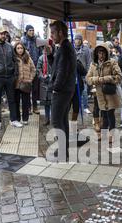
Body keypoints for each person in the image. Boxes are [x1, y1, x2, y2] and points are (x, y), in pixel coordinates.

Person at [49, 20, 77, 160]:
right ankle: (63, 151)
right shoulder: (64, 46)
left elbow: (62, 72)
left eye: (53, 33)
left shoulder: (65, 48)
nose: (51, 36)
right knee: (62, 120)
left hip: (62, 91)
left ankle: (62, 152)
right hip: (66, 90)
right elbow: (58, 67)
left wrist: (55, 88)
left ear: (60, 32)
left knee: (56, 121)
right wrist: (49, 55)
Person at [86, 43, 122, 142]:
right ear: (96, 54)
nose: (101, 55)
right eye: (99, 53)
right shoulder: (93, 65)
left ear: (106, 53)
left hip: (110, 93)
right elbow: (88, 79)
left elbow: (119, 77)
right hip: (99, 94)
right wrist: (98, 79)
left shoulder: (112, 63)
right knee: (103, 114)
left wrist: (105, 79)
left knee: (110, 114)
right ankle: (103, 133)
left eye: (103, 53)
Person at [14, 42, 36, 125]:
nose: (20, 50)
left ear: (24, 49)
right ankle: (17, 118)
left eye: (21, 48)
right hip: (16, 84)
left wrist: (30, 79)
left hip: (26, 83)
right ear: (15, 49)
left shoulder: (28, 58)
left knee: (25, 102)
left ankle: (25, 118)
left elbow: (33, 70)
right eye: (18, 48)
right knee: (16, 102)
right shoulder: (14, 58)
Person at [22, 25, 41, 115]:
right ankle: (28, 107)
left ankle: (35, 106)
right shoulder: (23, 40)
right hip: (27, 67)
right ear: (26, 31)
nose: (32, 32)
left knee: (35, 89)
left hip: (36, 67)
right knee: (27, 88)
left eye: (33, 30)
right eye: (30, 30)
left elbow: (40, 52)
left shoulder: (37, 40)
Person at [37, 44, 55, 126]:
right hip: (44, 83)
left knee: (53, 102)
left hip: (53, 82)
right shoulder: (41, 58)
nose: (47, 49)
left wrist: (53, 77)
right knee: (46, 103)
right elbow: (38, 69)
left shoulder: (54, 57)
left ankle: (53, 119)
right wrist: (42, 77)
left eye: (49, 47)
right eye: (46, 48)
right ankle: (47, 119)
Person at [74, 34, 91, 114]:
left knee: (84, 90)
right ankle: (78, 106)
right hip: (74, 74)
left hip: (83, 73)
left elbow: (88, 61)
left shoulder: (86, 49)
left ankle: (85, 106)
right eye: (76, 39)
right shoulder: (72, 49)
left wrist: (87, 73)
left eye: (79, 39)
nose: (77, 41)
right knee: (75, 92)